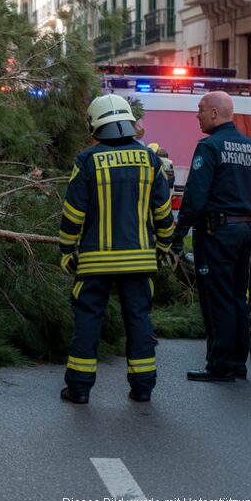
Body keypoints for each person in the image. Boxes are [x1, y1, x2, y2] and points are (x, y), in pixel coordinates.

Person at [58, 94, 175, 404]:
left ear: (95, 125)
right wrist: (163, 245)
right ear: (127, 122)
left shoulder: (86, 161)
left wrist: (67, 250)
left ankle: (79, 389)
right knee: (139, 320)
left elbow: (73, 213)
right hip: (139, 259)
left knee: (87, 320)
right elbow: (163, 210)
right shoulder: (150, 160)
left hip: (95, 261)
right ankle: (143, 388)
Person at [170, 91, 251, 383]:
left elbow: (195, 197)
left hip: (216, 233)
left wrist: (178, 235)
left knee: (217, 298)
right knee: (238, 295)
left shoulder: (209, 147)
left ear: (215, 113)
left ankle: (219, 363)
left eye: (200, 109)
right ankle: (238, 361)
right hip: (245, 231)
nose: (197, 114)